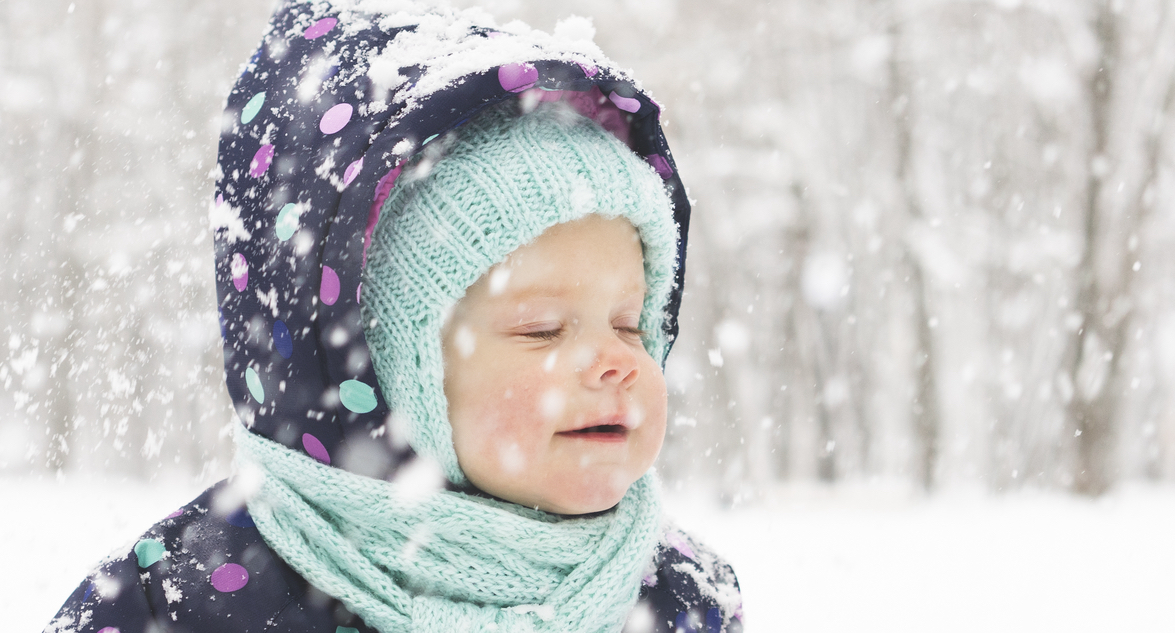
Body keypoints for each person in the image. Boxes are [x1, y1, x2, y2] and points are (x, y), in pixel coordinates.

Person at [46, 2, 742, 631]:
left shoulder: (679, 596)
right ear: (382, 371)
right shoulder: (184, 603)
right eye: (542, 329)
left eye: (629, 323)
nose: (618, 359)